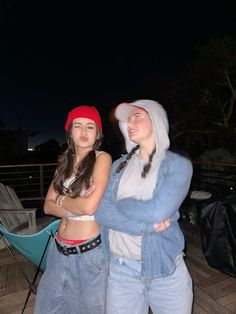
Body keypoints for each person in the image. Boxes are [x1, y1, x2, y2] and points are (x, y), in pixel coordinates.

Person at [95, 99, 193, 314]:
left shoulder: (177, 164)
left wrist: (121, 205)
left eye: (138, 116)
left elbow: (158, 211)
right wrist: (146, 226)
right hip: (121, 272)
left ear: (156, 120)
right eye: (128, 119)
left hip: (164, 271)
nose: (130, 122)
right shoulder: (118, 166)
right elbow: (101, 211)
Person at [34, 105, 112, 314]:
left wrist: (60, 199)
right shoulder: (64, 162)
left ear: (98, 134)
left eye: (90, 127)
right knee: (46, 308)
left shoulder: (102, 158)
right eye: (78, 126)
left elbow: (89, 206)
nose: (84, 132)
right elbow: (47, 206)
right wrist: (73, 204)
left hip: (88, 254)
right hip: (58, 251)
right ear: (70, 132)